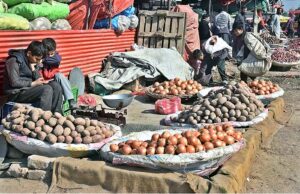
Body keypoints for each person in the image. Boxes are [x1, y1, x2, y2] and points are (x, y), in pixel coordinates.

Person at [3, 41, 63, 113]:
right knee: (46, 89)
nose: (38, 61)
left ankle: (56, 114)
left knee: (55, 85)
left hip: (28, 89)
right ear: (29, 53)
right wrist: (33, 83)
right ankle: (44, 118)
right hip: (16, 93)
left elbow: (38, 78)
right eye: (37, 59)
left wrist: (34, 70)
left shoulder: (32, 60)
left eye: (40, 59)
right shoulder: (13, 61)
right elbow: (14, 82)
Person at [41, 38, 76, 108]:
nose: (50, 55)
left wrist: (43, 59)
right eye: (48, 54)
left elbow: (57, 60)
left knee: (59, 76)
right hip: (43, 82)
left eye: (52, 53)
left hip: (54, 79)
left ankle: (71, 100)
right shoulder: (39, 55)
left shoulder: (56, 57)